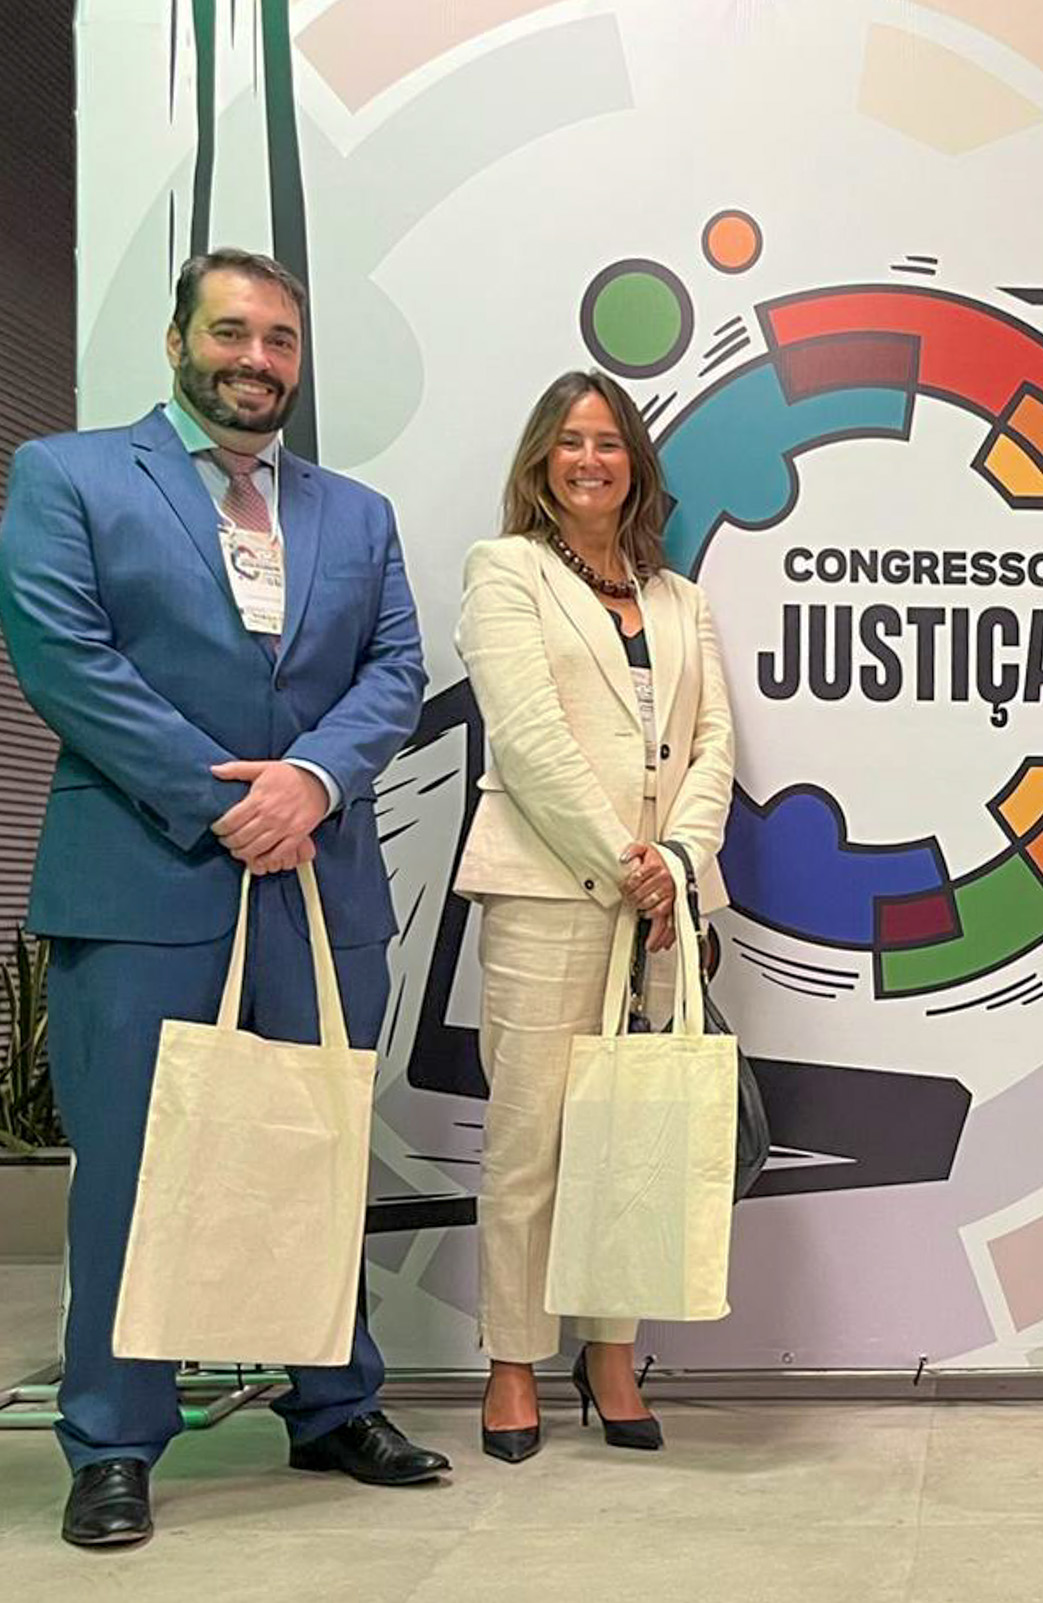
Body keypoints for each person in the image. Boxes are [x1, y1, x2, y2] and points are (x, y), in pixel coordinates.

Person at [0, 248, 444, 1549]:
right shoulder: (69, 476)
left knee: (314, 1152)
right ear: (180, 340)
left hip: (317, 880)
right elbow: (62, 656)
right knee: (135, 1172)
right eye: (234, 333)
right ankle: (116, 1439)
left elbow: (397, 666)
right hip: (143, 883)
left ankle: (331, 1402)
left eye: (281, 341)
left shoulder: (355, 513)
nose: (258, 360)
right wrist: (222, 799)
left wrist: (309, 780)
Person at [453, 369, 734, 1463]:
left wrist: (673, 861)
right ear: (540, 460)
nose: (589, 459)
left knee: (632, 1137)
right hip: (549, 890)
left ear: (636, 464)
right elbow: (524, 741)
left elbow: (714, 745)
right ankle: (513, 1362)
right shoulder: (506, 571)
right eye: (570, 440)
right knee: (530, 1141)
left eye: (609, 442)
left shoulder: (680, 598)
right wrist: (623, 864)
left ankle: (610, 1350)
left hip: (658, 905)